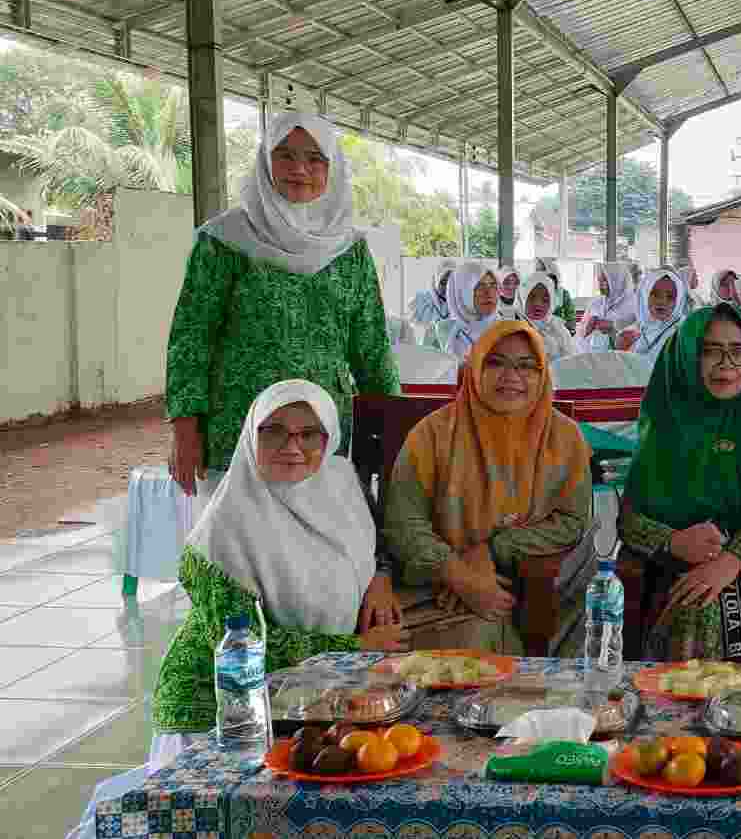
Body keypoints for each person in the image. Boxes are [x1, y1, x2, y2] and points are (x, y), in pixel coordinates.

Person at [71, 382, 409, 839]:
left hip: (306, 696)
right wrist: (353, 646)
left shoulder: (339, 483)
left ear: (329, 438)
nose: (293, 447)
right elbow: (243, 646)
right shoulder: (225, 531)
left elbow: (367, 547)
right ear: (251, 435)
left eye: (309, 434)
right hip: (218, 709)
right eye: (274, 431)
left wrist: (377, 580)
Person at [166, 112, 399, 496]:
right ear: (265, 160)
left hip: (322, 435)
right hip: (238, 432)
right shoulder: (224, 240)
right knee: (236, 532)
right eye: (285, 155)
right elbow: (191, 338)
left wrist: (394, 428)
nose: (299, 169)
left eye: (315, 159)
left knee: (320, 531)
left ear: (332, 168)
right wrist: (184, 428)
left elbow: (372, 347)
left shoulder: (350, 250)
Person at [383, 321, 594, 653]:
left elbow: (572, 521)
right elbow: (403, 524)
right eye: (495, 362)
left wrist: (489, 551)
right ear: (474, 367)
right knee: (475, 643)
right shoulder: (431, 435)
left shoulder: (564, 438)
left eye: (527, 366)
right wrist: (457, 574)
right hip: (434, 588)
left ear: (543, 375)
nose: (511, 376)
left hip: (532, 585)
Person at [620, 304, 741, 663]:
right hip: (675, 569)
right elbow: (629, 519)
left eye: (738, 351)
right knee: (696, 598)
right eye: (710, 351)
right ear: (686, 357)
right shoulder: (663, 429)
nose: (727, 364)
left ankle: (727, 699)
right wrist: (673, 541)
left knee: (703, 600)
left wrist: (734, 559)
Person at [427, 262, 504, 359]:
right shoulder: (441, 332)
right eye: (479, 286)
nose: (489, 293)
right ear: (461, 292)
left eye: (493, 285)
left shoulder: (508, 329)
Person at [624, 269, 690, 369]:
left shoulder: (683, 330)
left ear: (678, 301)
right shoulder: (639, 328)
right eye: (655, 294)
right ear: (645, 294)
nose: (662, 301)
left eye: (670, 297)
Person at [517, 272, 578, 361]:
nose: (538, 304)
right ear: (524, 298)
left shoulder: (558, 328)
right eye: (532, 298)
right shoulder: (515, 326)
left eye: (545, 300)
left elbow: (571, 358)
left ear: (552, 302)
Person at [578, 262, 636, 351]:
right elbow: (581, 334)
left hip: (620, 356)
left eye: (605, 281)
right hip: (592, 353)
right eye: (599, 280)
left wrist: (613, 327)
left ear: (618, 281)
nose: (600, 285)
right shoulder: (596, 303)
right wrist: (587, 327)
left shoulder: (634, 305)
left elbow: (637, 333)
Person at [409, 260, 455, 327]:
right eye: (443, 282)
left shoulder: (460, 304)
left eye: (450, 282)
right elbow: (413, 329)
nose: (446, 287)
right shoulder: (420, 301)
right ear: (436, 281)